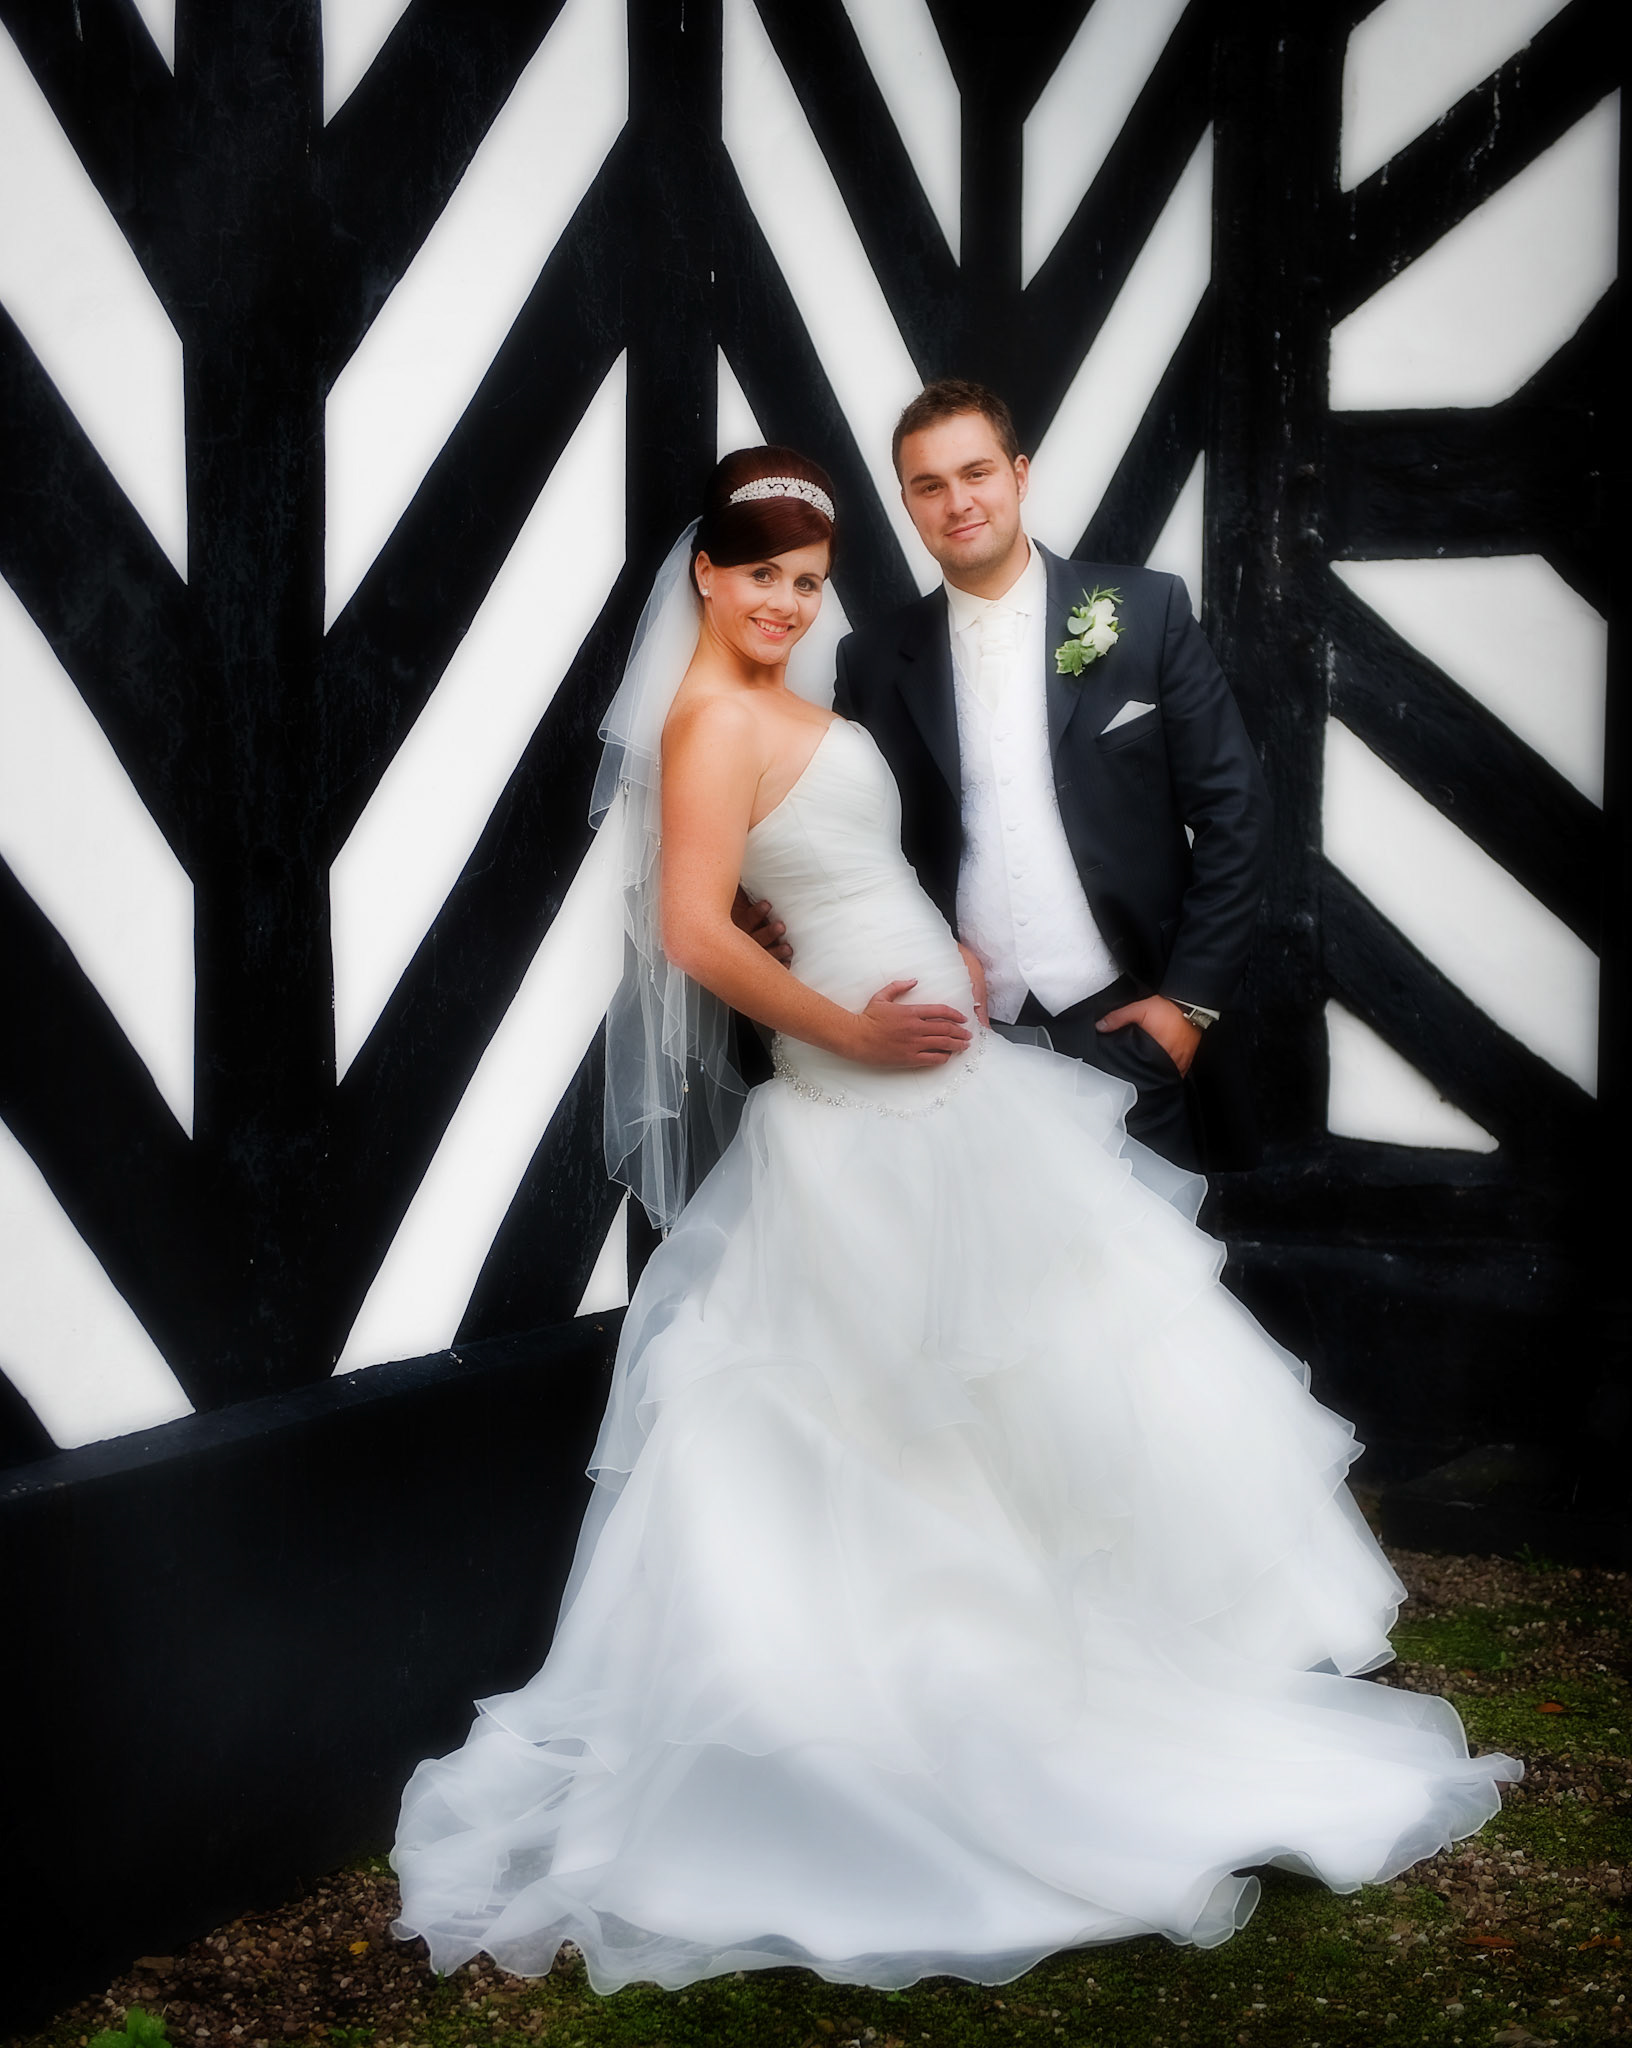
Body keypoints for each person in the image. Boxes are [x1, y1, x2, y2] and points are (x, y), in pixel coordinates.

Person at [391, 446, 1519, 1995]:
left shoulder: (789, 702)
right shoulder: (708, 719)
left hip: (950, 1089)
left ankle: (1039, 1675)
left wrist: (933, 962)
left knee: (1009, 1392)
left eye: (809, 579)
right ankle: (891, 1716)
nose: (788, 603)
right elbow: (697, 931)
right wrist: (851, 1027)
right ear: (707, 575)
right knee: (889, 1411)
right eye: (763, 574)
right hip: (858, 1108)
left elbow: (823, 867)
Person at [827, 379, 1268, 1170]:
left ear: (1019, 475)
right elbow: (853, 844)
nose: (958, 501)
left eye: (976, 473)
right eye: (930, 485)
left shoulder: (1147, 613)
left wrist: (1186, 1006)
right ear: (908, 504)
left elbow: (1234, 810)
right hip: (963, 1044)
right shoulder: (871, 661)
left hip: (1130, 1030)